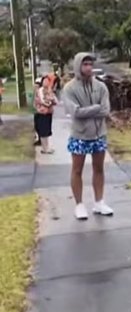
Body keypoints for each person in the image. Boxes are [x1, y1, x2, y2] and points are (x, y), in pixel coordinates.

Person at [63, 52, 113, 220]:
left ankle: (99, 202)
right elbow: (75, 112)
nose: (89, 67)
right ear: (78, 66)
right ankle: (79, 204)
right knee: (77, 170)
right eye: (85, 64)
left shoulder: (101, 87)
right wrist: (95, 108)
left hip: (99, 134)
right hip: (79, 135)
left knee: (99, 169)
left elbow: (106, 110)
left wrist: (94, 110)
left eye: (91, 64)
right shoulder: (69, 88)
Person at [34, 76, 58, 154]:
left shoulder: (50, 91)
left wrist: (51, 100)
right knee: (43, 131)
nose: (46, 83)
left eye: (48, 81)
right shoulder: (39, 91)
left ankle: (46, 147)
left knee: (47, 131)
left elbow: (55, 101)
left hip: (48, 113)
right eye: (45, 81)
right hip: (41, 113)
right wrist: (48, 101)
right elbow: (40, 101)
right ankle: (45, 148)